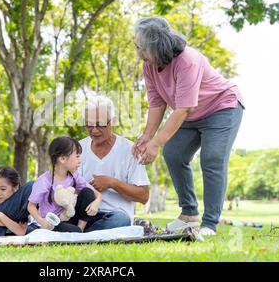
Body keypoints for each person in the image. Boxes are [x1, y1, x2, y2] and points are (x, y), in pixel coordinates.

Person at [132, 16, 244, 236]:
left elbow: (183, 109)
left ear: (155, 47)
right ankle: (189, 214)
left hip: (221, 107)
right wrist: (147, 136)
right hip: (191, 114)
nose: (138, 53)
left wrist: (155, 143)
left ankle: (210, 223)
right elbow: (157, 102)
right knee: (173, 153)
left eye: (141, 48)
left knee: (212, 158)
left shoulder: (188, 60)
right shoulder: (149, 65)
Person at [78, 95, 150, 232]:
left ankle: (79, 233)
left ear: (113, 121)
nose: (94, 130)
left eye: (100, 124)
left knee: (120, 221)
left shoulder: (130, 150)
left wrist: (112, 183)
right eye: (89, 124)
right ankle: (82, 232)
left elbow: (144, 196)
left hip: (115, 215)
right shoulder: (77, 149)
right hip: (83, 214)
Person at [27, 136, 102, 233]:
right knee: (72, 230)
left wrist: (97, 201)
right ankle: (76, 232)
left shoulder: (74, 176)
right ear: (62, 158)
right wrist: (42, 222)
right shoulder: (44, 181)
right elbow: (31, 206)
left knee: (87, 192)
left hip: (69, 217)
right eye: (77, 156)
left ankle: (80, 231)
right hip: (53, 223)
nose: (79, 161)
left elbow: (95, 193)